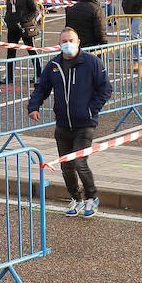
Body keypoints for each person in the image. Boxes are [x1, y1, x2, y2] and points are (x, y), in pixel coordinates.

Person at [27, 27, 112, 216]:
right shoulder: (54, 65)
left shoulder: (92, 62)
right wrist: (34, 107)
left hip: (85, 124)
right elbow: (42, 87)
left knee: (80, 162)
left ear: (78, 42)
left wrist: (91, 109)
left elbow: (105, 89)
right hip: (63, 124)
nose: (68, 44)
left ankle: (91, 197)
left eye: (71, 40)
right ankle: (76, 198)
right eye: (64, 41)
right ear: (59, 44)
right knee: (67, 166)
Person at [2, 0, 43, 82]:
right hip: (12, 26)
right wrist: (6, 19)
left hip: (25, 26)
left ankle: (39, 74)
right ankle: (9, 77)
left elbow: (35, 10)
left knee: (31, 50)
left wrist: (24, 20)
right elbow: (9, 8)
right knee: (11, 52)